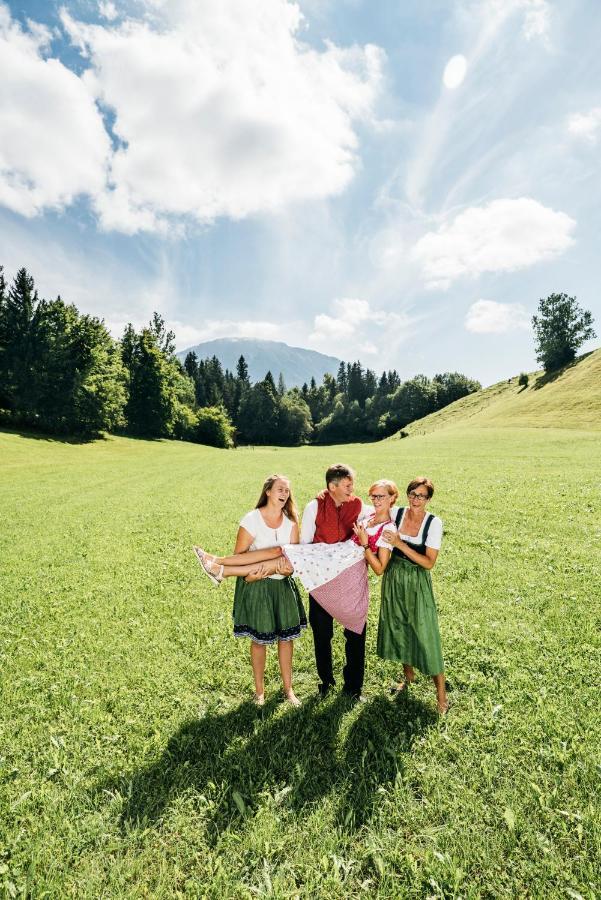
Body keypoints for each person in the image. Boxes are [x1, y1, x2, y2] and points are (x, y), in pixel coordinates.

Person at [195, 474, 306, 708]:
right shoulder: (252, 519)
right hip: (257, 586)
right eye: (280, 489)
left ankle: (289, 690)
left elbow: (293, 561)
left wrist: (284, 569)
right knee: (259, 642)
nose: (285, 493)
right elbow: (240, 557)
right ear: (267, 491)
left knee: (286, 641)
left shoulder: (292, 521)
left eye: (287, 490)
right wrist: (250, 575)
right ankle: (259, 693)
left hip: (283, 585)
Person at [372, 477, 449, 715]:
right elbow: (372, 516)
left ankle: (441, 695)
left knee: (425, 632)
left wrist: (400, 544)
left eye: (422, 496)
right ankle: (409, 676)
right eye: (413, 494)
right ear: (407, 495)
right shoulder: (396, 513)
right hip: (394, 577)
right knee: (399, 625)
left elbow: (429, 563)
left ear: (428, 499)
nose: (416, 499)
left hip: (417, 581)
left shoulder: (433, 523)